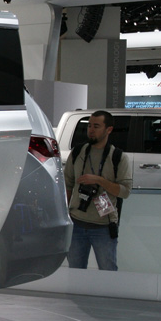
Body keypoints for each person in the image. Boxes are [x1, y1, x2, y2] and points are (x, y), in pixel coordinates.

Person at [64, 110, 133, 270]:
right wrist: (65, 216)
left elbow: (125, 191)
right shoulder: (77, 152)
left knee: (107, 270)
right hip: (76, 223)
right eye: (89, 126)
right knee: (75, 270)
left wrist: (99, 180)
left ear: (109, 129)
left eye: (96, 126)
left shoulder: (118, 157)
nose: (91, 130)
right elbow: (67, 184)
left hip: (104, 226)